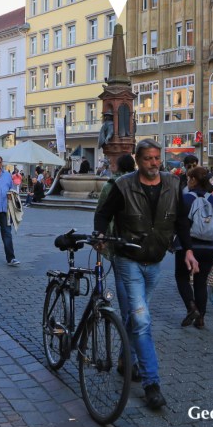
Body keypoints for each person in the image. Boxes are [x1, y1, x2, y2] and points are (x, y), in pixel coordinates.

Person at [94, 139, 193, 410]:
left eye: (156, 158)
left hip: (155, 259)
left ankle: (128, 360)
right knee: (142, 319)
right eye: (148, 159)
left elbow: (182, 220)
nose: (153, 163)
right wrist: (101, 234)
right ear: (138, 160)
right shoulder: (123, 185)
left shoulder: (173, 184)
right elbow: (103, 213)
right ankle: (152, 384)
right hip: (128, 257)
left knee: (134, 317)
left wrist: (188, 250)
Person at [94, 153, 139, 379]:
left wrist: (100, 236)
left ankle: (128, 358)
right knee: (132, 309)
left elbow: (100, 212)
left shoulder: (111, 186)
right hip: (130, 248)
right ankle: (128, 359)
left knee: (129, 308)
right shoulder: (133, 184)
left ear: (116, 166)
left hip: (115, 246)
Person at [174, 166, 213, 330]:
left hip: (188, 246)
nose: (187, 181)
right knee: (201, 283)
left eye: (189, 178)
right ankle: (201, 318)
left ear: (193, 180)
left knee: (181, 277)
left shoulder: (186, 199)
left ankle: (191, 307)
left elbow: (178, 223)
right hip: (208, 246)